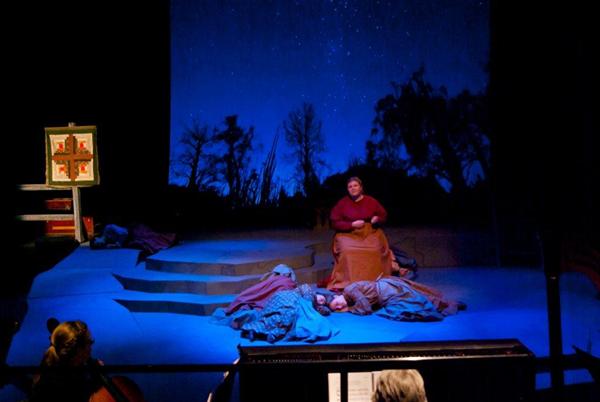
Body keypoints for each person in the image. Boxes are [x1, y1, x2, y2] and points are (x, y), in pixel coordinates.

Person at [327, 176, 394, 290]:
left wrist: (377, 219)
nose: (352, 188)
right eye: (350, 186)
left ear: (361, 187)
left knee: (375, 250)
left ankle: (375, 281)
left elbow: (383, 215)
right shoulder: (343, 203)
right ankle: (352, 283)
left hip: (369, 231)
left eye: (355, 185)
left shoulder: (371, 201)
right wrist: (351, 225)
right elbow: (334, 222)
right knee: (348, 251)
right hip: (348, 233)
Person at [327, 275, 465, 321]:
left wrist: (349, 309)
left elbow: (366, 308)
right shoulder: (350, 298)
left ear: (337, 296)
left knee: (411, 304)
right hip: (386, 291)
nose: (340, 306)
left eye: (337, 303)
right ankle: (449, 304)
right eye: (337, 308)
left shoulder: (349, 290)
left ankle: (449, 305)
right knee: (417, 298)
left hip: (387, 291)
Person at [30, 320, 101, 402]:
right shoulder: (68, 384)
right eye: (90, 342)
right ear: (78, 350)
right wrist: (97, 380)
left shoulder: (51, 375)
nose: (91, 347)